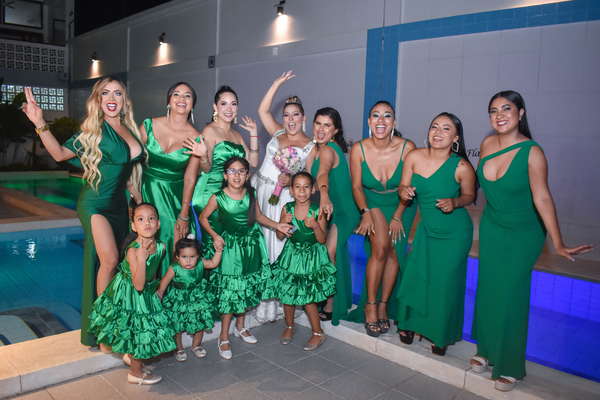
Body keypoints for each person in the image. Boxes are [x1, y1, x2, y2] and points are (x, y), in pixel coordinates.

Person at [470, 90, 592, 391]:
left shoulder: (532, 152)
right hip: (493, 227)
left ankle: (510, 365)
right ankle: (485, 350)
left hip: (523, 233)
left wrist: (558, 241)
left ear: (521, 113)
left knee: (512, 294)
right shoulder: (486, 144)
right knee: (488, 289)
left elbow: (543, 197)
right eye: (493, 110)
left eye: (506, 109)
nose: (499, 115)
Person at [21, 77, 144, 347]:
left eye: (118, 93)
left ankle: (106, 324)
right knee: (109, 260)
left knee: (109, 264)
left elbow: (124, 167)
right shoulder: (94, 130)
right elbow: (59, 154)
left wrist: (135, 192)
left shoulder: (129, 129)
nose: (112, 98)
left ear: (125, 101)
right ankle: (104, 329)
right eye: (105, 93)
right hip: (95, 203)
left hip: (119, 206)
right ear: (98, 100)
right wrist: (40, 123)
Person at [395, 112, 475, 356]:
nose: (438, 133)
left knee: (444, 284)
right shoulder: (414, 156)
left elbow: (470, 196)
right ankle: (408, 324)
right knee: (416, 276)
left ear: (456, 137)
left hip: (454, 233)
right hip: (427, 230)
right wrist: (404, 191)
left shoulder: (462, 166)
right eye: (434, 127)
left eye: (446, 129)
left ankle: (440, 333)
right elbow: (402, 187)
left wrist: (455, 201)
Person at [199, 157, 292, 359]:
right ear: (225, 175)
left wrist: (278, 225)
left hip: (251, 245)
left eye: (241, 171)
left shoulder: (252, 193)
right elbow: (203, 217)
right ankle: (223, 336)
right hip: (231, 248)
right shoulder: (218, 197)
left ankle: (240, 327)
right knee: (232, 291)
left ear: (247, 175)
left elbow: (258, 217)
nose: (237, 175)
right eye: (232, 171)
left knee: (246, 288)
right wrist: (215, 236)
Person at [346, 100, 416, 337]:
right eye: (376, 116)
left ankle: (385, 304)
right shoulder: (359, 149)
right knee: (380, 248)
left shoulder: (408, 148)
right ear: (369, 121)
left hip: (401, 204)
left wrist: (398, 216)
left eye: (387, 116)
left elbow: (408, 185)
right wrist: (365, 212)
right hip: (372, 202)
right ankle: (370, 306)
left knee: (395, 252)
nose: (381, 121)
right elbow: (356, 187)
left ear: (394, 122)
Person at [88, 202, 174, 385]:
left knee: (143, 328)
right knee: (138, 331)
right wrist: (142, 260)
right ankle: (135, 373)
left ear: (158, 224)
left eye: (151, 218)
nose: (147, 223)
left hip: (145, 290)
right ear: (134, 226)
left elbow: (155, 272)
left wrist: (158, 290)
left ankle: (133, 360)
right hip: (130, 291)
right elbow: (139, 284)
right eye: (141, 219)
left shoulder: (161, 246)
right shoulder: (134, 252)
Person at [252, 71, 314, 323]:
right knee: (259, 247)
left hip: (283, 198)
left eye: (295, 115)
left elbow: (308, 179)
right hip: (261, 190)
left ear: (303, 117)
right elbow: (262, 111)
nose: (290, 120)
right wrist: (276, 83)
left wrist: (291, 179)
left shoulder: (310, 145)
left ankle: (276, 303)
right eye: (286, 115)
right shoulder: (277, 133)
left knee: (277, 247)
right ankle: (260, 300)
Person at [177, 86, 259, 245]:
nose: (229, 109)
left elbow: (253, 162)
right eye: (224, 104)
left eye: (233, 104)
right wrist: (202, 156)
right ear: (215, 107)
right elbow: (206, 169)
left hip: (231, 192)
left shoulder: (237, 135)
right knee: (215, 242)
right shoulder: (210, 131)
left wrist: (253, 134)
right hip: (211, 192)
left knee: (229, 241)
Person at [139, 82, 201, 275]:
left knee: (169, 241)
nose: (181, 99)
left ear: (192, 105)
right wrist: (133, 193)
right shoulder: (148, 125)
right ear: (169, 101)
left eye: (187, 96)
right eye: (176, 94)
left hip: (174, 198)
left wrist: (183, 214)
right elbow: (132, 162)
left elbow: (190, 177)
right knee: (141, 243)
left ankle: (166, 295)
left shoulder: (196, 138)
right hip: (145, 191)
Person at [269, 172, 335, 350]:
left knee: (308, 298)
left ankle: (317, 333)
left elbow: (322, 240)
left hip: (311, 258)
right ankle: (289, 326)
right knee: (287, 296)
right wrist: (283, 223)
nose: (302, 191)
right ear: (291, 190)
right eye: (297, 187)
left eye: (306, 187)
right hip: (291, 256)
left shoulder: (317, 210)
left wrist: (314, 226)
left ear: (313, 189)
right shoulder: (287, 208)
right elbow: (280, 236)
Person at [306, 107, 359, 325]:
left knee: (329, 253)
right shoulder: (314, 150)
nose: (321, 129)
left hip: (343, 211)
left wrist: (325, 194)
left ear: (335, 130)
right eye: (318, 123)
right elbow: (310, 179)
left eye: (327, 125)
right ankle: (324, 296)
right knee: (320, 252)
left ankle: (331, 302)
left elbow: (322, 173)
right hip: (326, 210)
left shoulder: (329, 150)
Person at [157, 237, 222, 362]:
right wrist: (159, 295)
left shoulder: (201, 263)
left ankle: (196, 345)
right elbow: (164, 283)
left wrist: (218, 251)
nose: (188, 261)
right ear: (177, 257)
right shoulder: (174, 268)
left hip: (197, 298)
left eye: (192, 256)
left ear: (198, 256)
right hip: (178, 299)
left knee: (200, 322)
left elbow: (213, 263)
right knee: (177, 324)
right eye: (184, 257)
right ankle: (179, 348)